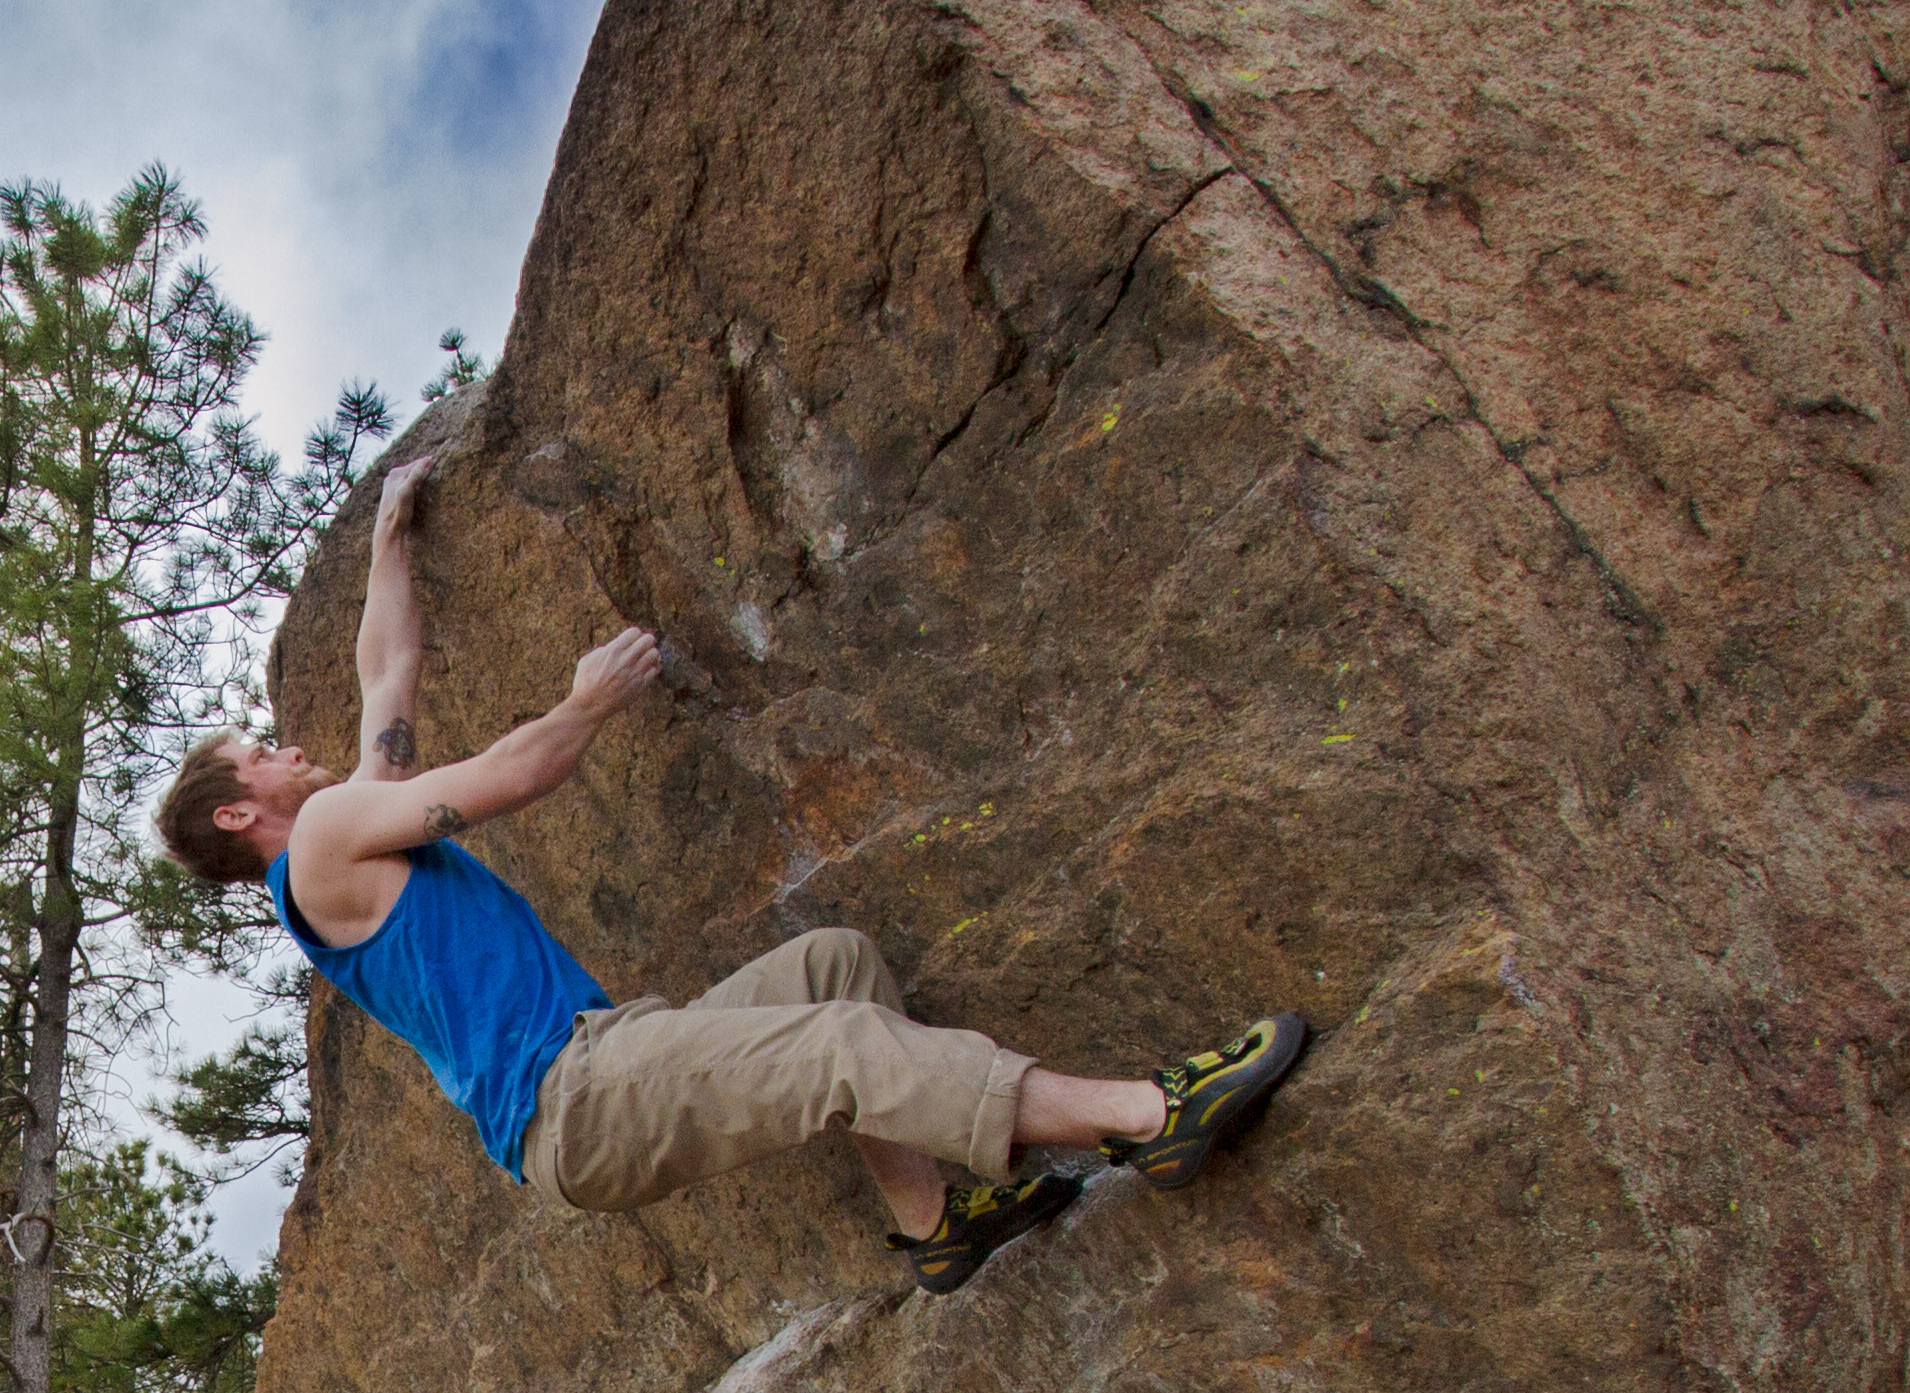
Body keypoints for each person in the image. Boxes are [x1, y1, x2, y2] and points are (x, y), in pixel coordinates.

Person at [152, 458, 1309, 1293]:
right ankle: (1146, 1118)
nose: (281, 744)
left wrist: (389, 536)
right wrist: (589, 699)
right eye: (255, 753)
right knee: (841, 1049)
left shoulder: (337, 849)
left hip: (608, 1062)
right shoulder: (320, 846)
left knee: (834, 971)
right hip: (578, 1100)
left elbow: (385, 673)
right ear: (240, 809)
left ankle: (938, 1222)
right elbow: (511, 776)